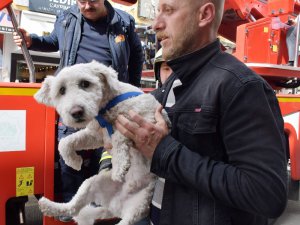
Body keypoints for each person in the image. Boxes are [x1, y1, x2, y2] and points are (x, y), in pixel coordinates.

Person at [115, 0, 288, 225]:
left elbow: (266, 194)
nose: (155, 24)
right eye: (157, 12)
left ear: (204, 14)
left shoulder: (240, 86)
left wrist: (164, 151)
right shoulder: (174, 81)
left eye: (168, 10)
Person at [13, 0, 143, 222]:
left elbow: (136, 57)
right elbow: (53, 42)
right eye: (80, 1)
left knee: (109, 168)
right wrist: (32, 40)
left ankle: (104, 214)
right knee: (71, 170)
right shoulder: (66, 18)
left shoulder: (124, 21)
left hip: (110, 111)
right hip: (74, 109)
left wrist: (129, 95)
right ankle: (74, 217)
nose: (86, 6)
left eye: (92, 0)